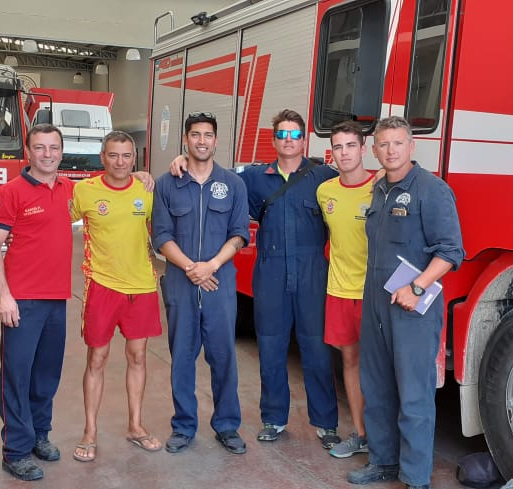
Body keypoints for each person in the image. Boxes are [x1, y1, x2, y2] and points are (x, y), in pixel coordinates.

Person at [171, 109, 341, 448]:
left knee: (317, 350)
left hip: (311, 272)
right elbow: (214, 175)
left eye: (295, 135)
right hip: (271, 272)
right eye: (282, 135)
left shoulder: (324, 176)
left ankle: (326, 424)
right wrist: (183, 160)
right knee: (272, 346)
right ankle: (273, 419)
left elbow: (354, 184)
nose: (288, 141)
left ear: (304, 140)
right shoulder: (253, 177)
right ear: (273, 140)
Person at [346, 116, 464, 489]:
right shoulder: (380, 189)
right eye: (384, 144)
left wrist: (417, 287)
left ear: (412, 146)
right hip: (376, 304)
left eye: (398, 143)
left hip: (412, 308)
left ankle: (415, 477)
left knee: (414, 394)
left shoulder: (432, 190)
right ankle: (383, 461)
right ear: (375, 150)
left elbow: (451, 251)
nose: (391, 150)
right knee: (377, 387)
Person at [152, 112, 250, 455]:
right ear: (186, 139)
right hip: (181, 284)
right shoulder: (167, 184)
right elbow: (161, 236)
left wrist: (211, 266)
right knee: (182, 357)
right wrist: (191, 268)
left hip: (219, 284)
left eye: (208, 135)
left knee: (223, 358)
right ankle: (183, 426)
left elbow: (239, 234)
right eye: (195, 135)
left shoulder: (233, 184)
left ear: (216, 141)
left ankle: (227, 425)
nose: (202, 141)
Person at [0, 123, 73, 481]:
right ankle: (16, 451)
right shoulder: (10, 192)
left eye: (53, 148)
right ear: (28, 151)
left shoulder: (70, 189)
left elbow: (114, 180)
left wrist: (143, 175)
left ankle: (39, 435)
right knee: (17, 376)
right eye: (40, 147)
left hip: (57, 299)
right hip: (22, 300)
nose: (47, 154)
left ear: (62, 152)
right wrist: (4, 295)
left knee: (46, 375)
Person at [68, 131, 163, 463]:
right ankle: (90, 432)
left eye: (126, 156)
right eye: (113, 155)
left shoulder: (146, 190)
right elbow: (54, 219)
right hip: (101, 286)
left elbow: (164, 229)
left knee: (138, 357)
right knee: (97, 359)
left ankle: (135, 426)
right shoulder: (85, 191)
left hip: (142, 287)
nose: (120, 162)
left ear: (135, 158)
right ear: (102, 157)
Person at [317, 120, 373, 459]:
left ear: (363, 149)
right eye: (338, 147)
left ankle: (384, 438)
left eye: (351, 145)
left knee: (378, 367)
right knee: (350, 361)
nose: (344, 153)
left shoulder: (381, 187)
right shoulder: (325, 192)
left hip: (374, 295)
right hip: (339, 291)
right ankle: (361, 434)